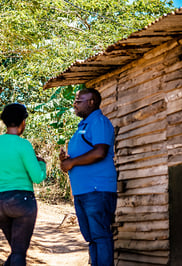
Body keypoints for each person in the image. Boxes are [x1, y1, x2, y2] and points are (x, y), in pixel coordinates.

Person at [0, 103, 47, 266]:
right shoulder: (23, 145)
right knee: (19, 252)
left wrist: (6, 178)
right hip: (22, 201)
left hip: (0, 203)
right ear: (23, 122)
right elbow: (38, 177)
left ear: (4, 121)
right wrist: (42, 164)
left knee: (16, 250)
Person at [59, 88, 117, 266]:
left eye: (79, 101)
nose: (74, 104)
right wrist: (66, 161)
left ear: (91, 102)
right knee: (91, 237)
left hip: (97, 189)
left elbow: (100, 152)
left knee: (100, 235)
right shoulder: (83, 126)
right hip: (83, 190)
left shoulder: (98, 121)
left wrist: (73, 162)